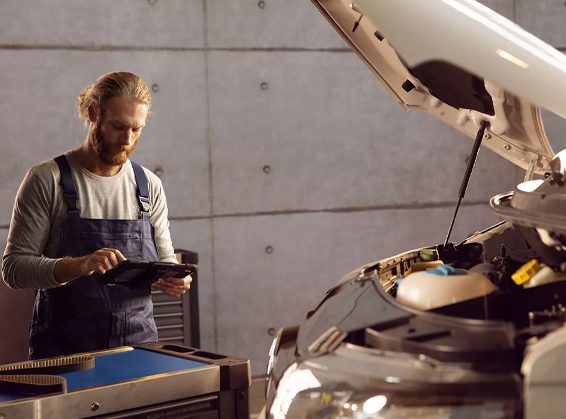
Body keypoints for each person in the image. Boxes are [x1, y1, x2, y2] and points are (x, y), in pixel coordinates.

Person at [1, 71, 191, 359]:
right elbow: (13, 269)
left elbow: (164, 259)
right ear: (93, 113)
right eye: (118, 126)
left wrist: (172, 277)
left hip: (138, 351)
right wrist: (79, 265)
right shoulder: (46, 179)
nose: (127, 139)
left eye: (136, 129)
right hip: (65, 357)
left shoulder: (148, 185)